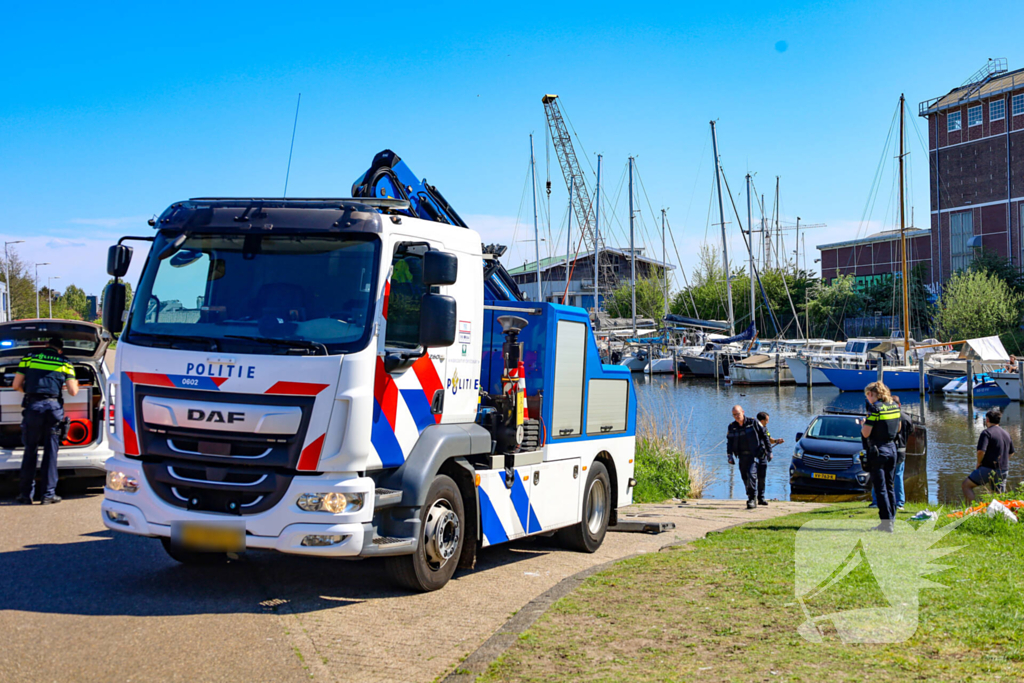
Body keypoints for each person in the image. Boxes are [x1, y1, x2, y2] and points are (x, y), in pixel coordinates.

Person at [13, 337, 79, 505]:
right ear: (60, 350)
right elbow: (73, 392)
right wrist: (75, 383)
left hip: (34, 407)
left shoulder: (29, 358)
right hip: (53, 408)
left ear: (46, 346)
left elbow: (15, 385)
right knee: (51, 452)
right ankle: (48, 495)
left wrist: (29, 392)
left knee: (30, 450)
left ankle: (26, 495)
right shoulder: (65, 362)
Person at [861, 381, 901, 531]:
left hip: (878, 450)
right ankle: (892, 519)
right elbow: (898, 428)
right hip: (892, 449)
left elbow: (866, 433)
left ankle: (886, 524)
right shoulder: (894, 407)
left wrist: (864, 423)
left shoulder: (875, 409)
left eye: (867, 395)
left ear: (871, 394)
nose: (867, 399)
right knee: (890, 486)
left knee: (880, 488)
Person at [962, 407, 1014, 503]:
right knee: (999, 496)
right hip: (1003, 470)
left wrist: (979, 463)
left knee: (966, 485)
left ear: (987, 420)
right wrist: (1002, 462)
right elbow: (1011, 452)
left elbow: (981, 451)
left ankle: (971, 510)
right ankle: (998, 514)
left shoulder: (986, 433)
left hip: (987, 468)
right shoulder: (1007, 434)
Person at [727, 405, 772, 509]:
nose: (736, 416)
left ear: (743, 412)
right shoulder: (732, 426)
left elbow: (765, 435)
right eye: (734, 415)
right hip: (742, 455)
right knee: (745, 477)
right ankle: (752, 495)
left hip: (755, 454)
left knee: (754, 475)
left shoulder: (753, 422)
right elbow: (729, 442)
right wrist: (729, 456)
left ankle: (753, 498)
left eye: (738, 414)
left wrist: (769, 451)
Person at [871, 396, 911, 511]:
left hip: (888, 448)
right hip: (902, 450)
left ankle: (876, 500)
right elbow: (910, 431)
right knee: (898, 476)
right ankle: (899, 502)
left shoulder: (888, 416)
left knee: (880, 475)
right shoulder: (907, 418)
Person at [755, 411, 784, 506]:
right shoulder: (754, 429)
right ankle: (751, 497)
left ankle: (761, 498)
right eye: (767, 420)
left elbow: (769, 439)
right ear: (762, 420)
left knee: (762, 478)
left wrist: (776, 441)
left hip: (763, 455)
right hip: (754, 456)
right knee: (751, 478)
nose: (768, 422)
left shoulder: (765, 428)